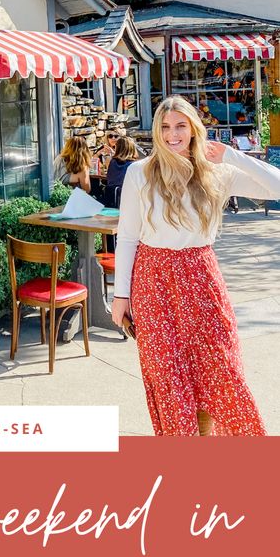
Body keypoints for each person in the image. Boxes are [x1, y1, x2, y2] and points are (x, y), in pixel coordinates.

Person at [111, 96, 280, 437]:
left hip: (201, 277)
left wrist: (232, 156)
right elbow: (127, 237)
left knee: (224, 370)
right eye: (165, 127)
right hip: (153, 280)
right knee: (169, 380)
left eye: (180, 126)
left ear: (193, 128)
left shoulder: (216, 173)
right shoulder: (139, 173)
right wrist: (121, 296)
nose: (172, 134)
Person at [104, 135, 137, 207]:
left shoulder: (109, 161)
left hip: (111, 196)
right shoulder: (134, 165)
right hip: (126, 198)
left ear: (117, 147)